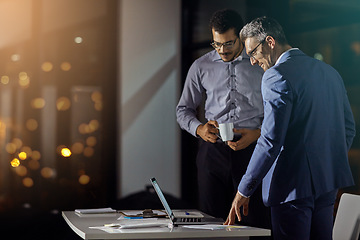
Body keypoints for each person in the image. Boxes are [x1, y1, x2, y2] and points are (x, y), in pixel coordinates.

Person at [224, 16, 356, 240]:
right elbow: (348, 128)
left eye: (253, 53)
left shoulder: (276, 76)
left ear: (270, 42)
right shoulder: (330, 73)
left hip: (291, 189)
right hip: (327, 186)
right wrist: (326, 162)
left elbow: (270, 141)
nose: (253, 62)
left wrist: (244, 189)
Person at [176, 9, 271, 229]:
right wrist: (199, 129)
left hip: (253, 151)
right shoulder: (200, 66)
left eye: (228, 43)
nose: (222, 50)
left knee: (254, 223)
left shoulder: (261, 64)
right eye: (217, 44)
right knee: (211, 223)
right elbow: (183, 110)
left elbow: (277, 112)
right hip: (213, 153)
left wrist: (257, 134)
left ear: (241, 36)